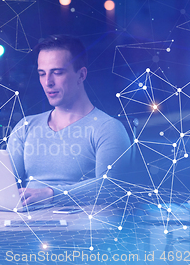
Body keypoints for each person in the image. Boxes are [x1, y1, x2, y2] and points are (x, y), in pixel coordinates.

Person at [7, 35, 131, 206]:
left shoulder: (108, 129)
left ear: (81, 75)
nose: (47, 82)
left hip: (81, 228)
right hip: (25, 225)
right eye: (42, 74)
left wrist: (51, 194)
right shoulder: (26, 127)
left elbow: (110, 187)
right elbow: (2, 184)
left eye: (57, 73)